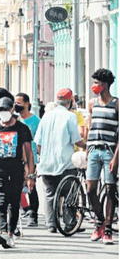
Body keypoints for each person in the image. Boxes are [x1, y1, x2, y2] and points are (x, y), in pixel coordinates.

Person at [0, 97, 35, 249]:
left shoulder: (22, 129)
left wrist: (30, 175)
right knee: (0, 201)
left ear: (12, 110)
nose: (4, 113)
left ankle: (10, 233)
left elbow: (29, 153)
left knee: (13, 202)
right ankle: (3, 230)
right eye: (1, 110)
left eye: (6, 109)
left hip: (16, 171)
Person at [35, 88, 85, 233]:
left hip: (46, 163)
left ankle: (51, 224)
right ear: (70, 102)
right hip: (65, 162)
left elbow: (38, 142)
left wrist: (43, 156)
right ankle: (70, 223)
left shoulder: (46, 116)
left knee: (50, 194)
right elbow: (76, 140)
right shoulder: (70, 117)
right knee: (69, 193)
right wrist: (87, 146)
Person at [86, 68, 119, 244]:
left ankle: (107, 229)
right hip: (93, 150)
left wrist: (116, 157)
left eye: (97, 83)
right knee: (90, 189)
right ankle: (99, 220)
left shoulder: (117, 104)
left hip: (109, 151)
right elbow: (90, 128)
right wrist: (86, 150)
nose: (94, 86)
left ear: (105, 85)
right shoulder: (92, 103)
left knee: (110, 188)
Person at [14, 92, 41, 227]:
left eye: (19, 103)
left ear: (27, 104)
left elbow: (40, 140)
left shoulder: (35, 121)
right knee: (18, 185)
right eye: (15, 103)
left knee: (31, 186)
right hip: (18, 157)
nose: (16, 105)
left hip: (31, 158)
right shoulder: (15, 120)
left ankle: (33, 214)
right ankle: (24, 209)